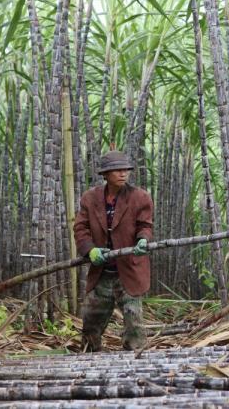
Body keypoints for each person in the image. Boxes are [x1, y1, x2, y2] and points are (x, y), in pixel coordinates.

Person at [74, 150, 153, 352]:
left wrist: (143, 240)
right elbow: (80, 228)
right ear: (106, 174)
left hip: (128, 268)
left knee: (133, 321)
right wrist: (89, 250)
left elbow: (145, 225)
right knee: (91, 319)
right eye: (117, 170)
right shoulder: (90, 199)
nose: (122, 174)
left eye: (125, 170)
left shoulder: (140, 197)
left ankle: (136, 362)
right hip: (102, 271)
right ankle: (89, 362)